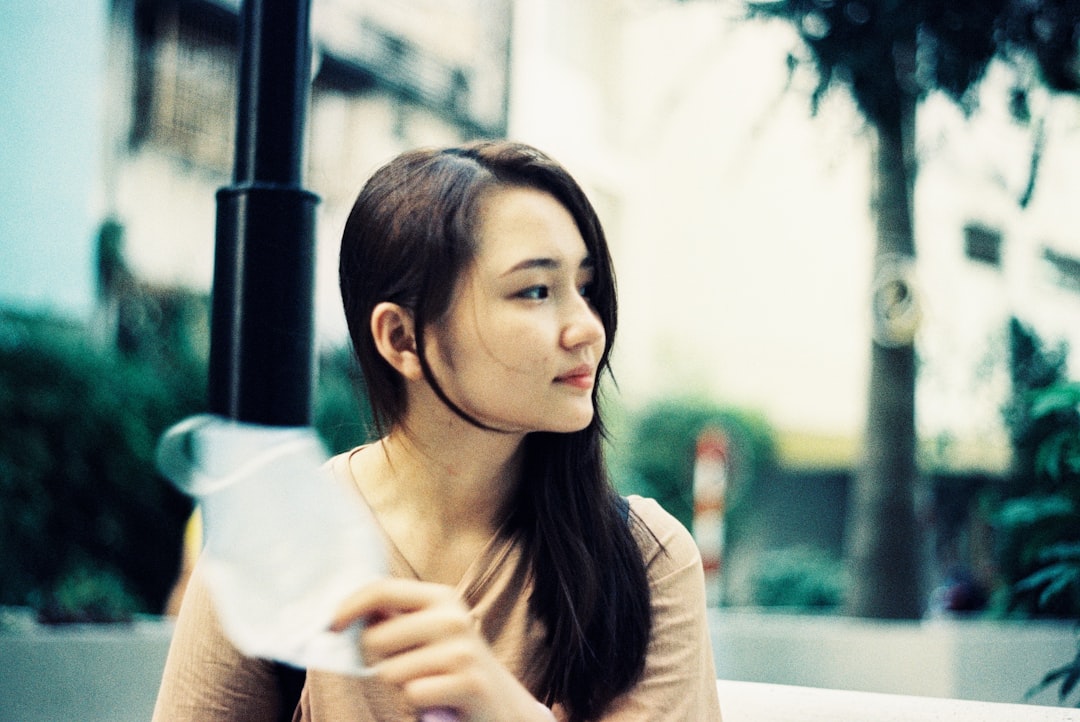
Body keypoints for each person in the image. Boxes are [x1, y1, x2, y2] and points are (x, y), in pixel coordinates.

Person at [153, 140, 722, 721]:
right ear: (402, 338)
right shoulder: (275, 548)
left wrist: (499, 707)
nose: (587, 329)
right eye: (535, 291)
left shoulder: (646, 558)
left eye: (585, 288)